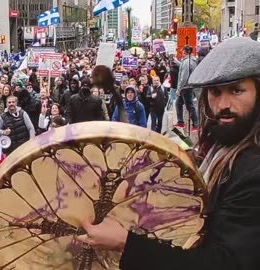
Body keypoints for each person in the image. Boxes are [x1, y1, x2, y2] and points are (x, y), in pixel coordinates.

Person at [78, 37, 260, 270]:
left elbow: (223, 263)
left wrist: (126, 243)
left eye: (236, 90)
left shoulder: (253, 170)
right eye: (215, 92)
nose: (223, 104)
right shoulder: (222, 142)